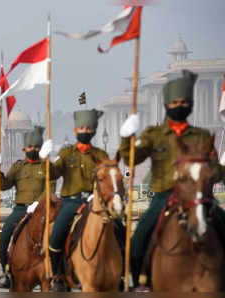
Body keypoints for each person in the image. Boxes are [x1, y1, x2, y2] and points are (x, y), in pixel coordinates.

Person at [118, 69, 225, 288]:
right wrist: (126, 136)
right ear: (167, 104)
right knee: (137, 243)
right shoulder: (153, 134)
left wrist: (215, 171)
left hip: (199, 196)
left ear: (191, 104)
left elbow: (214, 169)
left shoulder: (202, 136)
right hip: (164, 197)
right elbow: (131, 159)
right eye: (175, 101)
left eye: (185, 101)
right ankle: (137, 282)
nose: (180, 105)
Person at [39, 109, 125, 291]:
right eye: (81, 128)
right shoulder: (67, 153)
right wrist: (45, 160)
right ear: (76, 130)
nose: (84, 131)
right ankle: (58, 276)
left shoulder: (101, 155)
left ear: (93, 131)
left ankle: (122, 273)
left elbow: (110, 178)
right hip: (71, 201)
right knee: (56, 236)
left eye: (88, 128)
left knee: (122, 230)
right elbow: (53, 173)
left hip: (96, 201)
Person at [0, 126, 53, 288]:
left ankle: (59, 274)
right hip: (20, 210)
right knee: (4, 238)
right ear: (24, 148)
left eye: (36, 147)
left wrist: (38, 203)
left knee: (60, 236)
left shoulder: (46, 166)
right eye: (30, 147)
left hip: (42, 210)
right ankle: (7, 273)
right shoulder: (19, 167)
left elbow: (51, 187)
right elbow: (4, 185)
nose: (33, 149)